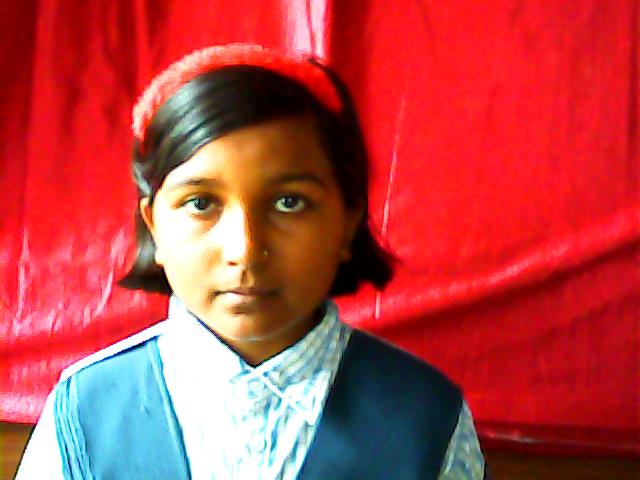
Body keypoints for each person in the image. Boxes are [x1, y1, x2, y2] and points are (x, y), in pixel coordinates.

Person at [16, 44, 486, 479]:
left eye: (288, 203)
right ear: (154, 226)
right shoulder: (86, 412)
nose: (244, 249)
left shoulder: (426, 416)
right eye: (201, 203)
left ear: (347, 223)